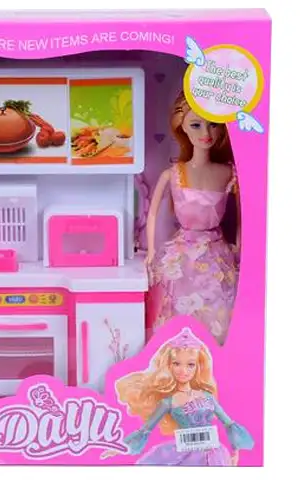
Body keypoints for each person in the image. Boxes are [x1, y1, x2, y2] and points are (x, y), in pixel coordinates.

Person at [145, 91, 240, 345]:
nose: (205, 132)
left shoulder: (228, 173)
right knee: (176, 307)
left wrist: (239, 247)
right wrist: (151, 252)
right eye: (196, 125)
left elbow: (244, 217)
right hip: (181, 254)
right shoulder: (173, 173)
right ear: (182, 127)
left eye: (213, 124)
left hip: (217, 255)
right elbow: (152, 213)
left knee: (217, 310)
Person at [102, 328, 253, 466]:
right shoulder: (168, 402)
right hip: (186, 452)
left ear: (198, 366)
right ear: (169, 366)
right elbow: (145, 430)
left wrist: (236, 451)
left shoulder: (207, 396)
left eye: (190, 365)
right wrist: (121, 448)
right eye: (177, 364)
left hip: (214, 453)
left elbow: (229, 423)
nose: (183, 371)